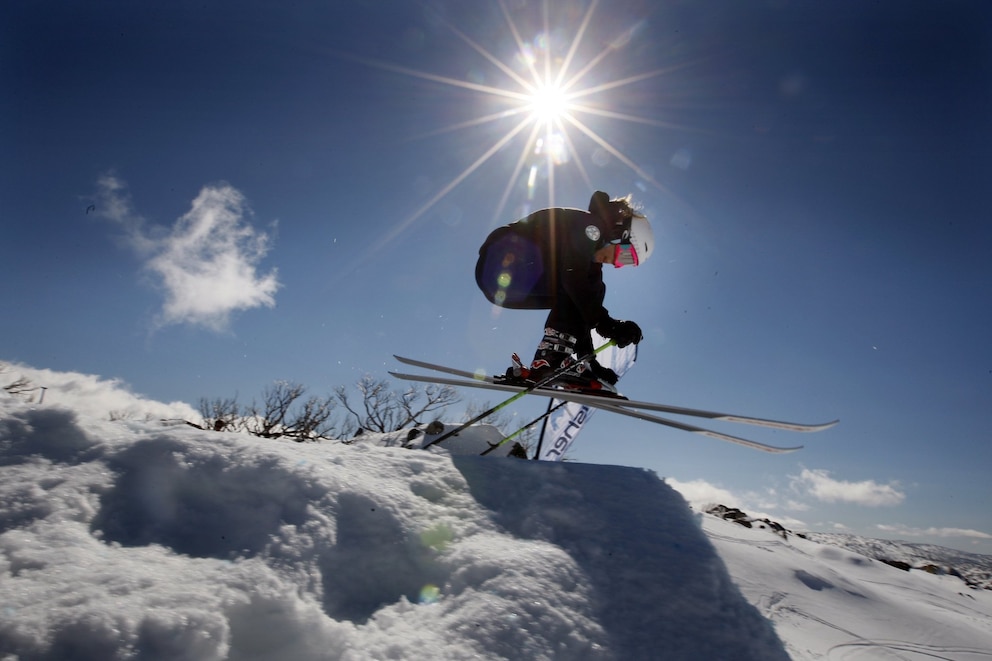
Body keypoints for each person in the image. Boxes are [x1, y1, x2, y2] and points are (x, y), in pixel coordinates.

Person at [475, 190, 653, 393]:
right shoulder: (591, 226)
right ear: (620, 233)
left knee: (591, 291)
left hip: (507, 285)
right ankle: (551, 359)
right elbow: (573, 278)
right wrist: (608, 324)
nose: (617, 263)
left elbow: (580, 308)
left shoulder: (591, 268)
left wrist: (592, 365)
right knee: (582, 286)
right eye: (625, 256)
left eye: (626, 264)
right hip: (502, 260)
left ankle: (555, 360)